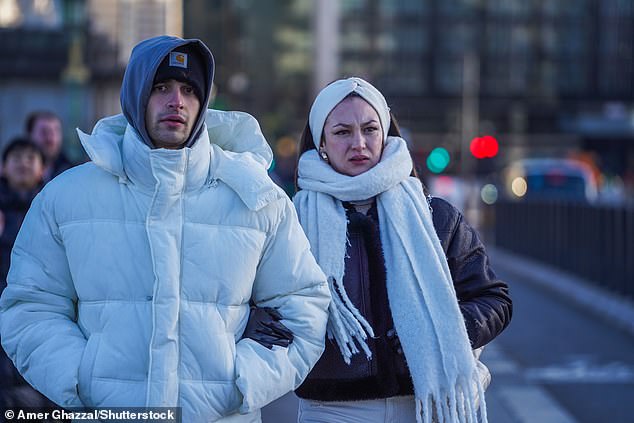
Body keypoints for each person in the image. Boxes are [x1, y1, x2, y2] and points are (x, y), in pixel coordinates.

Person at [0, 35, 330, 422]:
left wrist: (241, 381)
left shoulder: (256, 198)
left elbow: (302, 307)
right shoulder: (65, 197)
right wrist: (82, 380)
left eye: (190, 90)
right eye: (161, 88)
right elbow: (31, 307)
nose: (177, 101)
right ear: (136, 95)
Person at [293, 77, 512, 423]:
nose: (359, 143)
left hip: (425, 407)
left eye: (369, 129)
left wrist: (442, 331)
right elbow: (266, 308)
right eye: (342, 132)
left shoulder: (436, 217)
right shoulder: (292, 222)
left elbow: (494, 299)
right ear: (321, 142)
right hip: (330, 411)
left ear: (386, 135)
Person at [0, 138, 57, 410]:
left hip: (46, 313)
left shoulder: (56, 207)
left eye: (30, 158)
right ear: (3, 167)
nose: (23, 163)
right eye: (16, 157)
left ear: (43, 169)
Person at [25, 110, 75, 181]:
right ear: (30, 135)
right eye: (44, 132)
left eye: (55, 131)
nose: (51, 139)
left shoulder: (71, 171)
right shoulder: (14, 173)